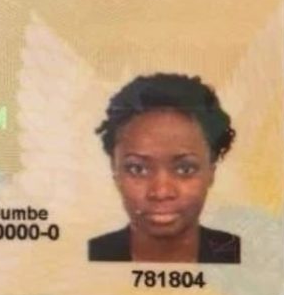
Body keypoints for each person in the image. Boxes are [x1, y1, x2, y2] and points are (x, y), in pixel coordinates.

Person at [88, 73, 241, 263]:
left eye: (185, 169)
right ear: (115, 169)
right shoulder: (84, 258)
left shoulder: (245, 257)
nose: (161, 192)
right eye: (137, 169)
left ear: (211, 171)